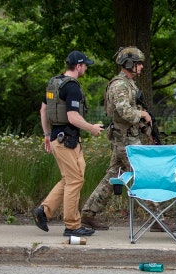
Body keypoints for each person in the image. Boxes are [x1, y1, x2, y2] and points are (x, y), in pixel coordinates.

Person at [79, 46, 155, 231]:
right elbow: (124, 111)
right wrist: (142, 114)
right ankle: (157, 217)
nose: (142, 67)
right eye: (138, 64)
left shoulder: (128, 84)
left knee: (114, 176)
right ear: (129, 64)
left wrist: (147, 130)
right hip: (125, 140)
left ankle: (88, 214)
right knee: (142, 174)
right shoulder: (120, 85)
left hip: (127, 137)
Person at [33, 51, 104, 237]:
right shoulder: (71, 87)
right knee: (75, 180)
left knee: (72, 177)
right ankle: (72, 225)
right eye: (85, 65)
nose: (86, 68)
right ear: (78, 66)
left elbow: (43, 110)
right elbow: (72, 117)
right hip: (67, 141)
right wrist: (92, 128)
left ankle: (44, 211)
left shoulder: (54, 83)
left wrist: (47, 134)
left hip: (59, 138)